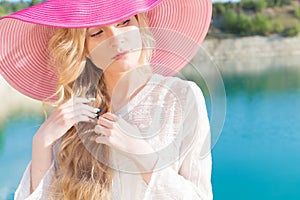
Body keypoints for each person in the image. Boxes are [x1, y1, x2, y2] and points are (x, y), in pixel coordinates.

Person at [0, 0, 213, 199]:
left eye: (124, 22)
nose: (115, 39)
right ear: (84, 49)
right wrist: (42, 142)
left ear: (140, 25)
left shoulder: (182, 96)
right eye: (97, 33)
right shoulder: (74, 116)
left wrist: (141, 153)